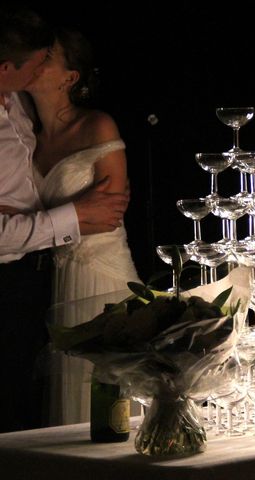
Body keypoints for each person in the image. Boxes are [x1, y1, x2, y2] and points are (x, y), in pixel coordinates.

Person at [0, 7, 130, 433]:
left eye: (48, 58)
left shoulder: (89, 123)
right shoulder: (29, 123)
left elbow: (108, 215)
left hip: (95, 270)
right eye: (37, 57)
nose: (39, 63)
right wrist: (70, 215)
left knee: (105, 389)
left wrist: (40, 219)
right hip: (47, 275)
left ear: (70, 77)